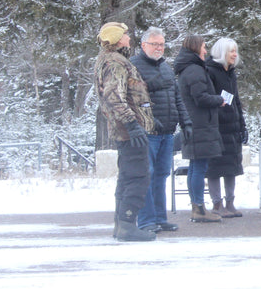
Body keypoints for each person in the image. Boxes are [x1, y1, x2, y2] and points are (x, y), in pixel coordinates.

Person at [94, 22, 156, 242]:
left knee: (127, 177)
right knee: (138, 177)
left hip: (126, 130)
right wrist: (132, 123)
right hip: (129, 132)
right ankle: (128, 225)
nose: (129, 38)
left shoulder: (111, 60)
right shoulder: (114, 62)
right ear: (117, 38)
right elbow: (114, 97)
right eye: (126, 35)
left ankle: (121, 225)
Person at [130, 26, 192, 233]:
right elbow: (134, 99)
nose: (159, 48)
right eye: (155, 44)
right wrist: (149, 119)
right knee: (147, 174)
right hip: (148, 131)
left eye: (162, 44)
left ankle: (159, 217)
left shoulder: (166, 67)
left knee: (162, 174)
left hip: (167, 130)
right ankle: (146, 219)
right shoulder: (134, 67)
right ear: (143, 45)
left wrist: (186, 122)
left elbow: (177, 97)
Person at [174, 35, 225, 223]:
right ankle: (199, 208)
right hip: (200, 125)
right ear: (196, 48)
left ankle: (197, 207)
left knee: (195, 166)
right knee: (199, 167)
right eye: (204, 47)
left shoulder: (187, 69)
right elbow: (201, 98)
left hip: (193, 124)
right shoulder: (195, 70)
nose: (206, 50)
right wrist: (219, 99)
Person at [205, 38, 248, 218]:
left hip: (232, 125)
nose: (234, 55)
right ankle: (217, 203)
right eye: (231, 51)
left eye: (235, 51)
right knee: (215, 166)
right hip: (216, 125)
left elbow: (235, 99)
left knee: (231, 165)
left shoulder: (231, 73)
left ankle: (230, 201)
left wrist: (242, 124)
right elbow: (208, 98)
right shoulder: (210, 71)